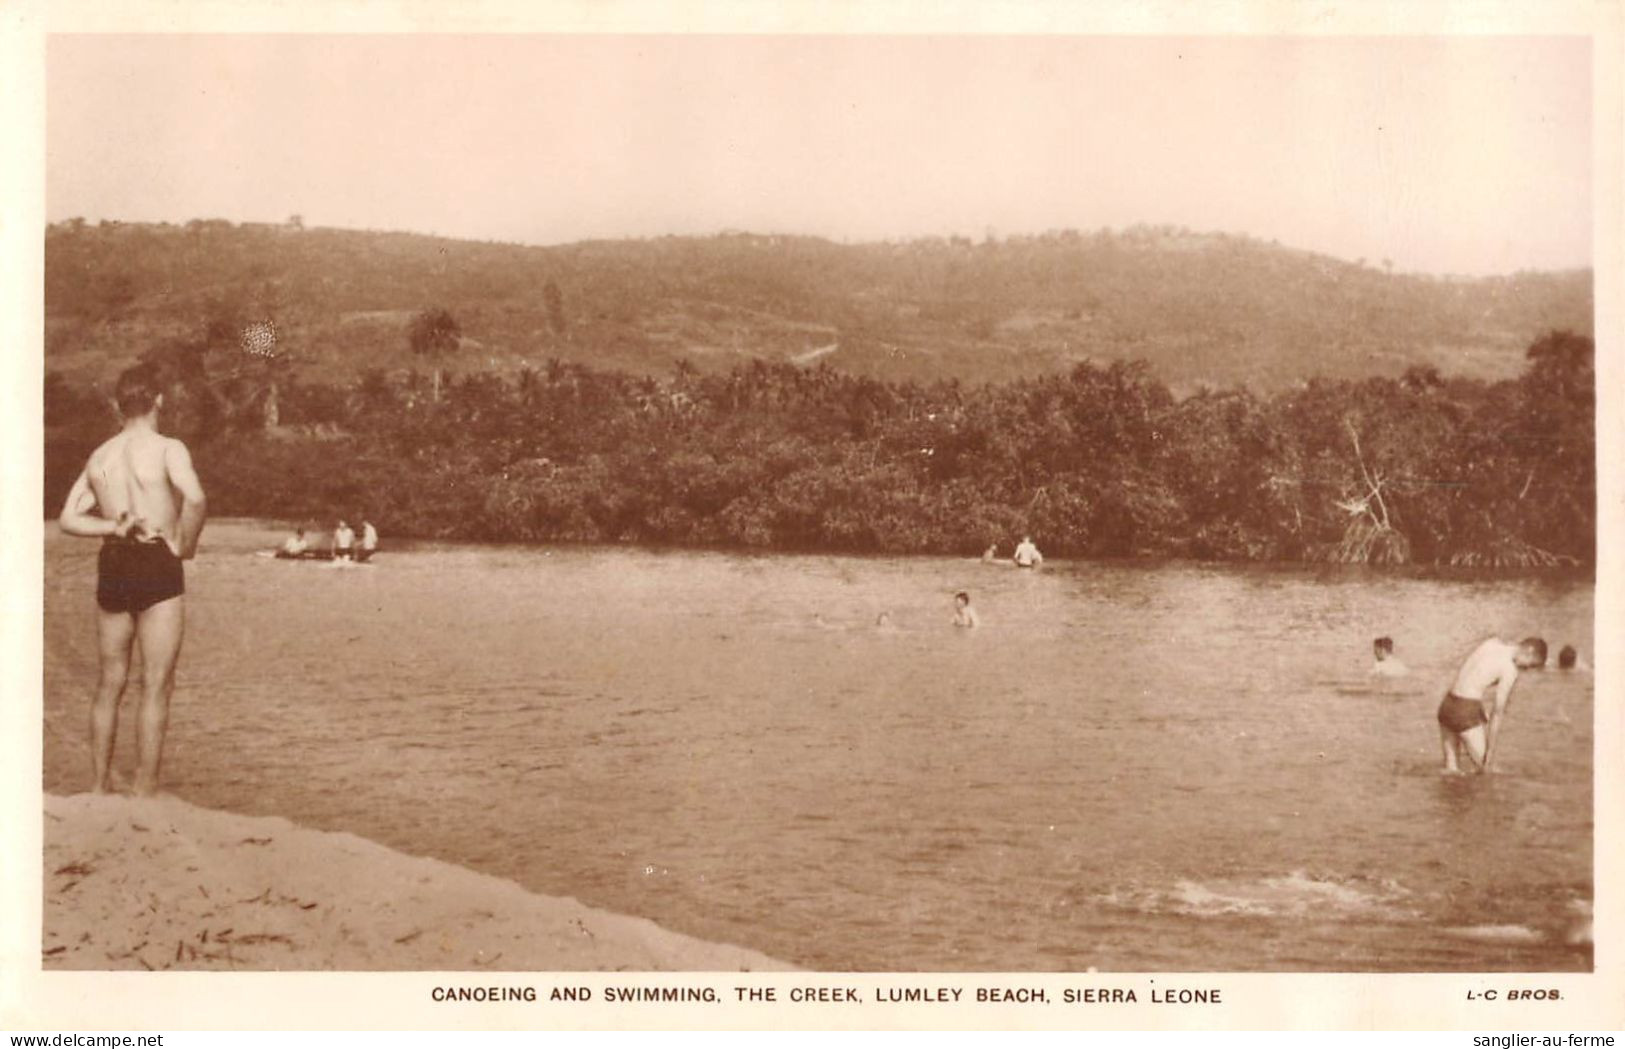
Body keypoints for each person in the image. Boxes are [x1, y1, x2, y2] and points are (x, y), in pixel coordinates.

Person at [57, 363, 207, 796]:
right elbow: (196, 498)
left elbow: (69, 519)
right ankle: (144, 790)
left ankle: (99, 787)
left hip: (115, 562)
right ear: (159, 400)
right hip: (157, 559)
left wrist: (110, 527)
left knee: (109, 682)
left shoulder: (100, 456)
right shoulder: (167, 448)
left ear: (117, 405)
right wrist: (185, 544)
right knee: (157, 683)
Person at [1437, 636, 1547, 775]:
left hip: (1447, 704)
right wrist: (1489, 756)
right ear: (1530, 652)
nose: (1525, 670)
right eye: (1529, 665)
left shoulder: (1491, 643)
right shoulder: (1510, 670)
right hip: (1465, 710)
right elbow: (1497, 713)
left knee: (1450, 771)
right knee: (1487, 774)